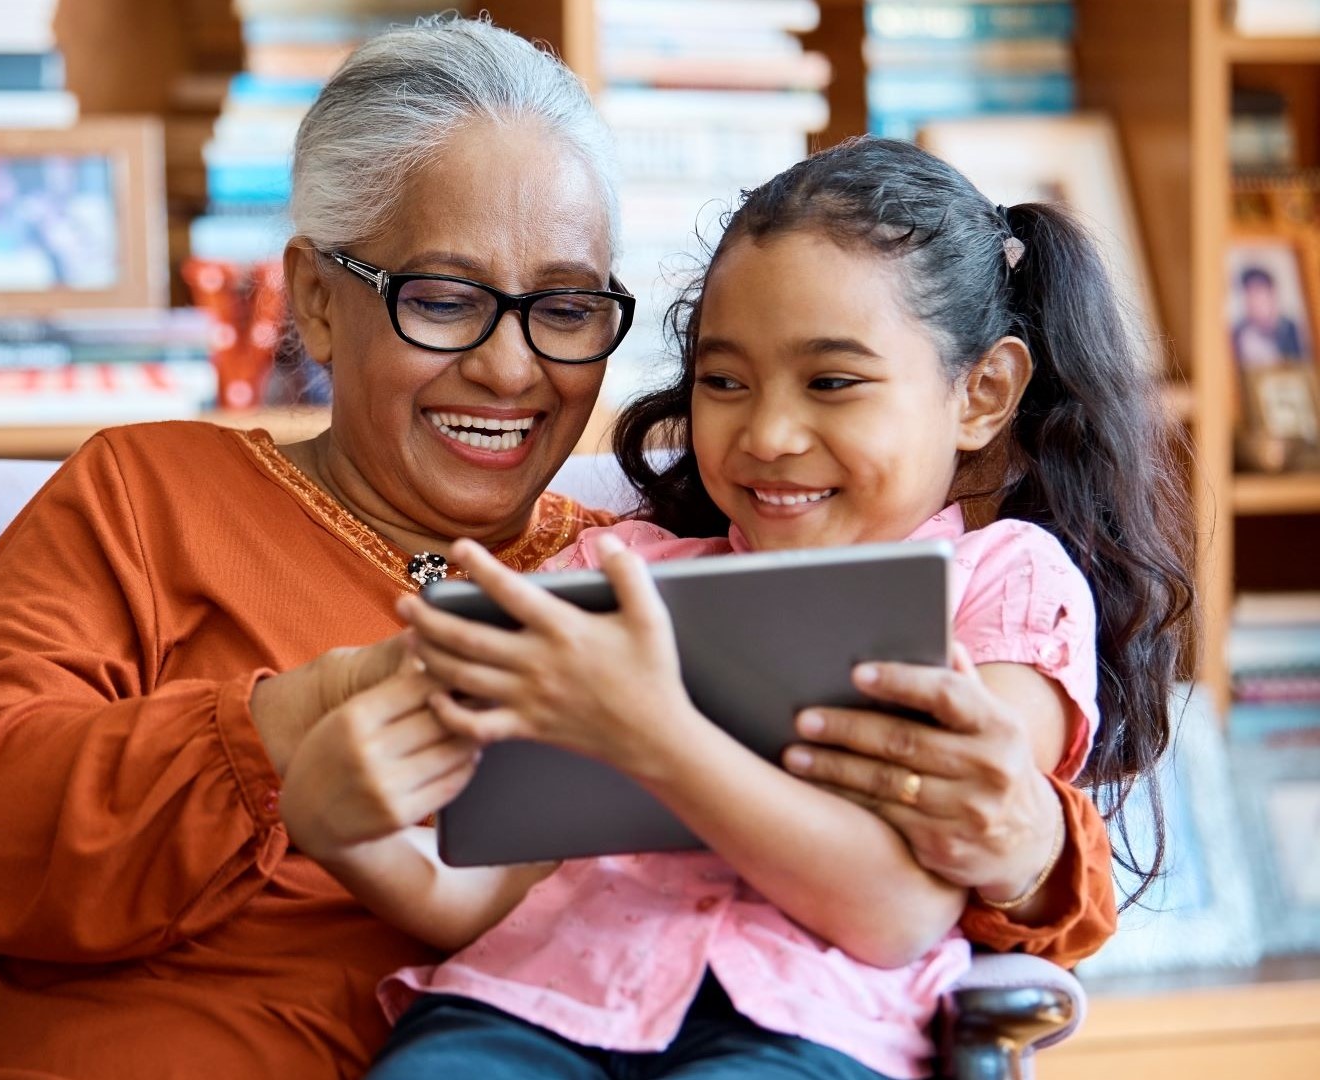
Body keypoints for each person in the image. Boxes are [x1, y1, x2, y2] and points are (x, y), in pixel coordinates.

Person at [0, 22, 1122, 1079]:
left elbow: (930, 888)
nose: (512, 364)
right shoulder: (152, 492)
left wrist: (1033, 848)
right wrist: (286, 741)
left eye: (567, 307)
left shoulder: (645, 579)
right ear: (317, 301)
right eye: (444, 297)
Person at [348, 137, 1192, 1080]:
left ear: (982, 393)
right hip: (536, 1006)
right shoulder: (618, 567)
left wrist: (657, 737)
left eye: (832, 382)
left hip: (811, 1029)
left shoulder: (1004, 584)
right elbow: (487, 875)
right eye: (724, 382)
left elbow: (893, 905)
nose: (769, 434)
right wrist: (338, 807)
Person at [1232, 265, 1308, 368]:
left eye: (1258, 292)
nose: (1253, 301)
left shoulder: (1293, 330)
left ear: (1272, 294)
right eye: (1248, 294)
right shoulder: (1238, 334)